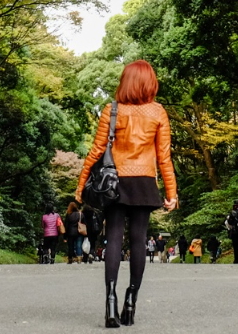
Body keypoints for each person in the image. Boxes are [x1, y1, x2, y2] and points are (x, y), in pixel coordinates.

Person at [76, 60, 178, 328]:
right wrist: (172, 192)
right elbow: (163, 157)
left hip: (114, 182)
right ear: (150, 82)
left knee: (113, 238)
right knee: (138, 241)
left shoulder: (112, 110)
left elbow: (97, 150)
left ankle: (110, 301)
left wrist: (80, 185)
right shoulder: (158, 112)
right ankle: (130, 301)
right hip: (143, 181)